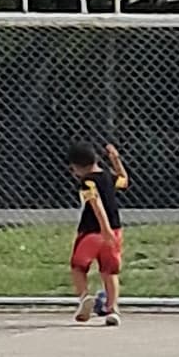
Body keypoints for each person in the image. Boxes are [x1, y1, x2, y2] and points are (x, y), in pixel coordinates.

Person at [67, 137, 124, 327]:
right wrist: (116, 160)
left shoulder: (87, 182)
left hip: (92, 230)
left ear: (76, 167)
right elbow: (124, 181)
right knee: (110, 271)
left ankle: (84, 297)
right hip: (115, 230)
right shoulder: (108, 176)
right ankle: (113, 309)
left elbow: (95, 202)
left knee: (78, 267)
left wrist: (103, 228)